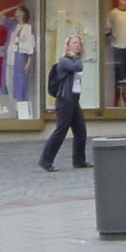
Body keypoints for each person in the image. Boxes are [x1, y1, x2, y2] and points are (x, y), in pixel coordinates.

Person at [39, 35, 90, 172]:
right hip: (65, 100)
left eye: (79, 43)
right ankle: (46, 161)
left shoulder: (73, 60)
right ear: (67, 46)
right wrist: (76, 56)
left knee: (81, 132)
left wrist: (76, 56)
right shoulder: (64, 61)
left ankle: (79, 161)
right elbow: (78, 67)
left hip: (73, 100)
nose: (77, 46)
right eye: (74, 43)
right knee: (60, 131)